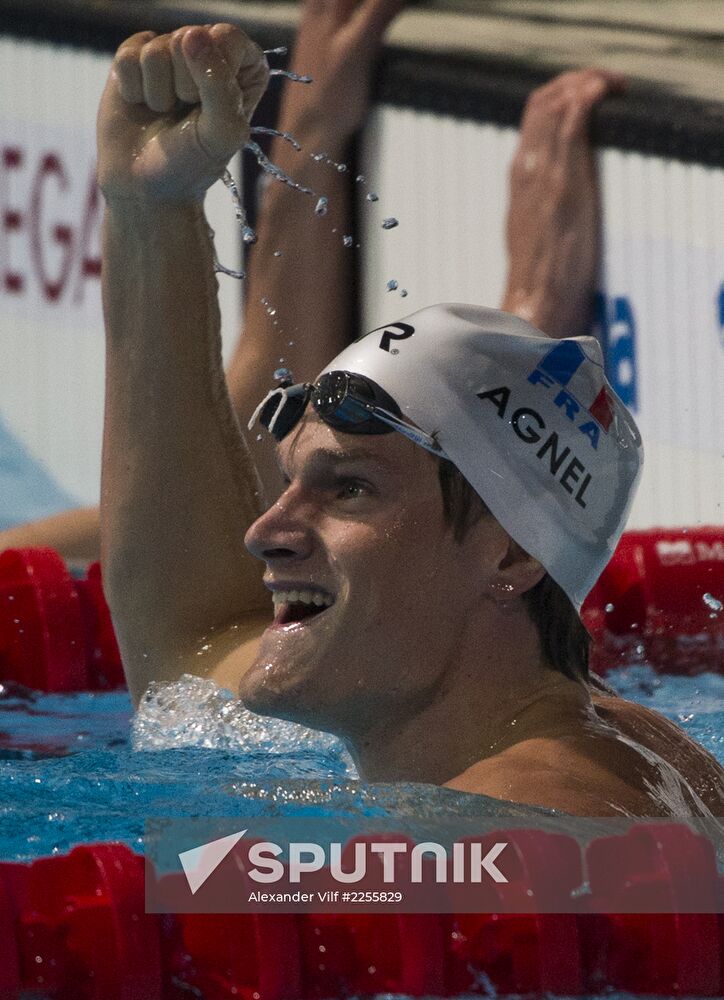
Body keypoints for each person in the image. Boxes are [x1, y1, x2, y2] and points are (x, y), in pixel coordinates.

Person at [96, 20, 723, 818]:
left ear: (507, 554)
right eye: (293, 480)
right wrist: (151, 208)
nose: (264, 530)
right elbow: (189, 649)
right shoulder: (494, 728)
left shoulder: (528, 828)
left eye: (350, 489)